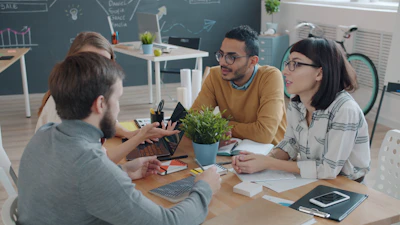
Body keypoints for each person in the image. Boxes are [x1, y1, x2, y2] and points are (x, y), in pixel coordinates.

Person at [18, 52, 221, 225]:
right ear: (100, 104)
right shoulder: (90, 166)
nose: (118, 108)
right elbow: (169, 222)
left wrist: (121, 171)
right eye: (117, 98)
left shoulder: (43, 135)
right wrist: (205, 188)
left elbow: (72, 188)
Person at [232, 38, 370, 181]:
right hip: (315, 180)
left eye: (296, 64)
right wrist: (260, 160)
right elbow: (290, 143)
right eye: (288, 63)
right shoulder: (297, 101)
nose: (285, 71)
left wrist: (270, 163)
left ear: (319, 73)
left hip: (347, 186)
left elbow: (328, 169)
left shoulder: (345, 110)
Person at [36, 31, 175, 163]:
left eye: (104, 64)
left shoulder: (84, 96)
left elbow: (108, 126)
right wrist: (137, 138)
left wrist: (130, 134)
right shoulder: (65, 108)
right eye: (89, 62)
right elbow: (99, 162)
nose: (99, 71)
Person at [191, 25, 286, 146]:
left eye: (231, 57)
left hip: (271, 154)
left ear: (252, 61)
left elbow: (265, 133)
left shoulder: (270, 76)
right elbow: (194, 119)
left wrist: (222, 125)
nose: (222, 62)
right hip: (231, 151)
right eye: (221, 54)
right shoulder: (215, 75)